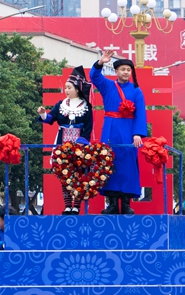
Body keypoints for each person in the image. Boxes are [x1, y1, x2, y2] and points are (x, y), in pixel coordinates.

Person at [91, 51, 148, 215]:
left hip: (128, 131)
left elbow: (140, 113)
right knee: (109, 163)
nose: (126, 72)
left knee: (128, 165)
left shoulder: (136, 90)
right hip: (110, 129)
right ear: (116, 71)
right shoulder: (108, 86)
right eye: (122, 69)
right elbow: (94, 76)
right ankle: (112, 203)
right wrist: (100, 62)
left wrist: (137, 133)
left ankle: (126, 203)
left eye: (128, 70)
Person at [38, 66, 94, 214]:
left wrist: (81, 145)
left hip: (79, 144)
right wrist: (43, 114)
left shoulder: (86, 107)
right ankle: (68, 205)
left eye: (69, 87)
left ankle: (77, 206)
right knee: (64, 174)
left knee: (78, 175)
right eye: (66, 88)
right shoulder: (61, 105)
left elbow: (88, 128)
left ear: (77, 89)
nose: (66, 90)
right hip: (62, 143)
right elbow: (50, 119)